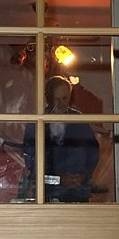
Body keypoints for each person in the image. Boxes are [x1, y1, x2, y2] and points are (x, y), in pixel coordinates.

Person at [22, 75, 99, 203]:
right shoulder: (36, 122)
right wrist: (57, 179)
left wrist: (82, 176)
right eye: (57, 99)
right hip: (47, 194)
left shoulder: (78, 120)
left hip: (77, 192)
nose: (61, 104)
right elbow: (32, 161)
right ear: (48, 98)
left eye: (65, 98)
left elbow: (92, 153)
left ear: (70, 97)